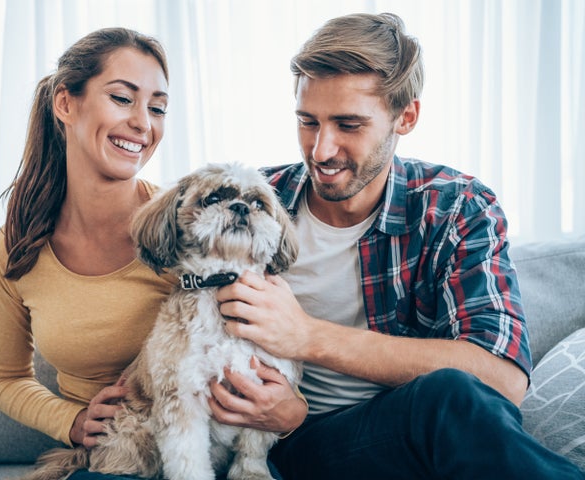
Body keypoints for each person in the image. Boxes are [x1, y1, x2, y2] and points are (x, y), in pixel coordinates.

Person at [211, 12, 585, 479]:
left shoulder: (453, 207)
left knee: (453, 396)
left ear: (405, 116)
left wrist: (308, 336)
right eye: (308, 122)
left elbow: (501, 379)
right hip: (265, 444)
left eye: (348, 125)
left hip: (385, 438)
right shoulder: (251, 202)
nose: (321, 150)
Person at [0, 28, 175, 480]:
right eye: (123, 98)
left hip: (199, 440)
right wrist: (71, 421)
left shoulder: (184, 226)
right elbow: (3, 378)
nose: (144, 124)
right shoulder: (18, 245)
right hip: (110, 457)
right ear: (66, 103)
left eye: (158, 107)